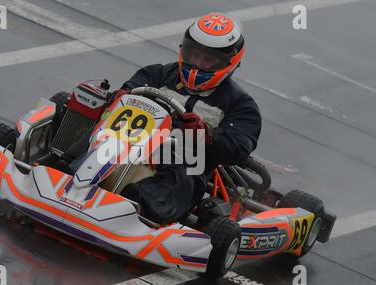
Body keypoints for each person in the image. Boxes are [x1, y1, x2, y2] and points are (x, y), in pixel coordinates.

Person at [72, 13, 262, 225]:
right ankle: (65, 172)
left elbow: (239, 146)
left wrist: (207, 134)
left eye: (207, 60)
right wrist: (120, 96)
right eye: (193, 55)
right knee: (100, 133)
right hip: (129, 141)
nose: (197, 63)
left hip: (186, 160)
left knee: (181, 170)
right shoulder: (157, 75)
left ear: (228, 62)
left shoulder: (240, 105)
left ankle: (135, 205)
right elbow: (128, 92)